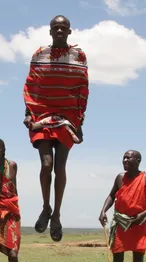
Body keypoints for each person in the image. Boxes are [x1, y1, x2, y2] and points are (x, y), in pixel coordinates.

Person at [23, 15, 89, 242]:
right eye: (56, 28)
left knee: (59, 166)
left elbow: (82, 88)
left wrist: (80, 121)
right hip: (42, 114)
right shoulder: (39, 55)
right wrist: (28, 114)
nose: (59, 31)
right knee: (46, 164)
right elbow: (31, 85)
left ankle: (57, 215)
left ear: (69, 32)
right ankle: (46, 207)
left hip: (67, 117)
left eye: (63, 28)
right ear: (50, 31)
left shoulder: (78, 56)